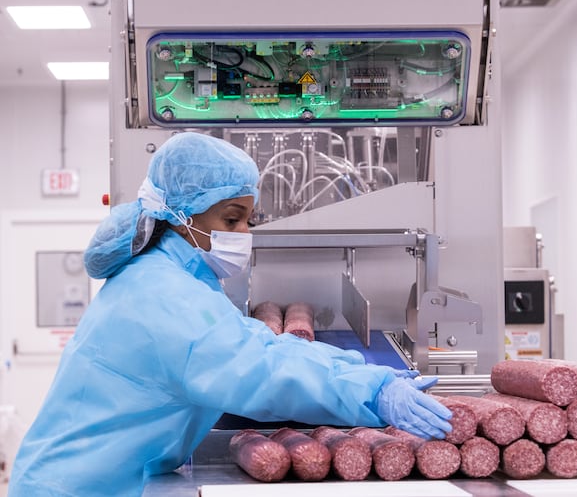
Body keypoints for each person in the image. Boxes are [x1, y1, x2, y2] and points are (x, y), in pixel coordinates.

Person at [8, 132, 452, 497]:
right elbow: (260, 369)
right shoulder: (161, 294)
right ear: (181, 215)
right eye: (232, 219)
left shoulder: (171, 278)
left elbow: (259, 345)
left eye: (249, 222)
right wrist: (373, 394)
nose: (244, 234)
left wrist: (372, 375)